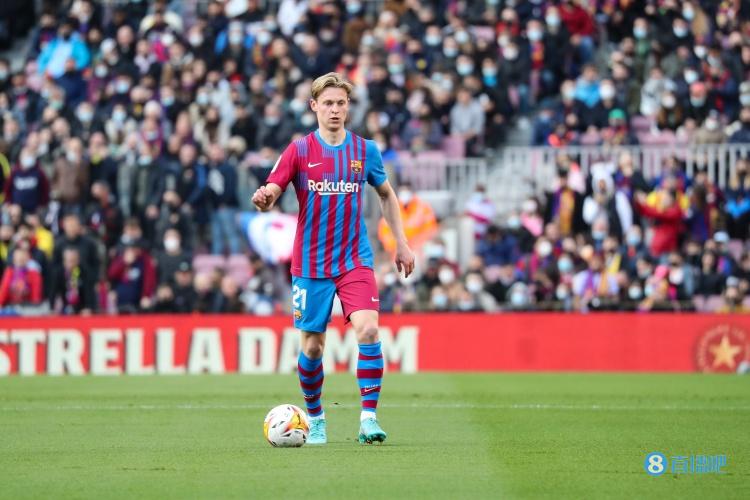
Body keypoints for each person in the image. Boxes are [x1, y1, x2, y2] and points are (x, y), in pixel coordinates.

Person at [252, 72, 415, 446]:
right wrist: (264, 199)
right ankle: (316, 419)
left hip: (354, 259)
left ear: (348, 106)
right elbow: (272, 190)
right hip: (311, 264)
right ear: (314, 106)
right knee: (313, 347)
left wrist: (401, 243)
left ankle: (368, 419)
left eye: (341, 103)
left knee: (369, 330)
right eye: (328, 103)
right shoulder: (299, 150)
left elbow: (386, 194)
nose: (335, 109)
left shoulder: (365, 150)